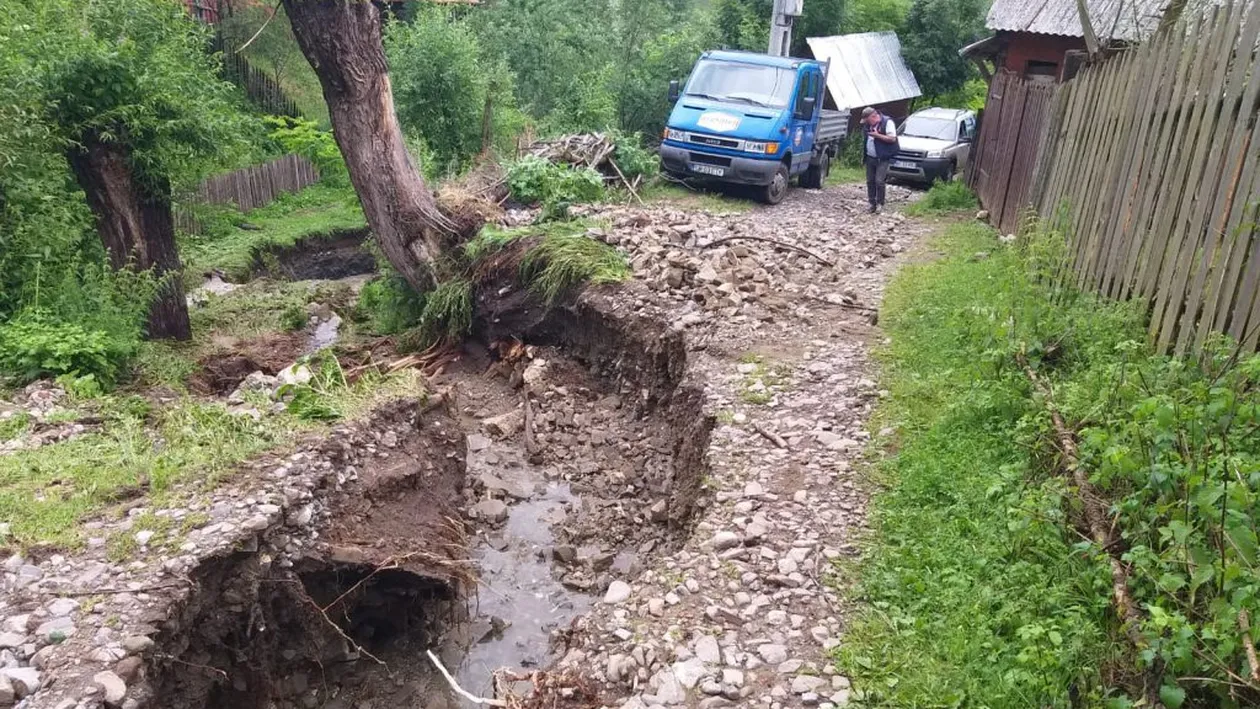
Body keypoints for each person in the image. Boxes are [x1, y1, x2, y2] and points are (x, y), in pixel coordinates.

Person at [862, 107, 898, 214]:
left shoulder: (887, 122)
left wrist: (877, 135)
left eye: (868, 120)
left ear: (873, 116)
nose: (867, 123)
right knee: (870, 181)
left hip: (882, 157)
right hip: (870, 157)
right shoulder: (868, 125)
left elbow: (892, 138)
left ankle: (880, 204)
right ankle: (871, 203)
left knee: (879, 181)